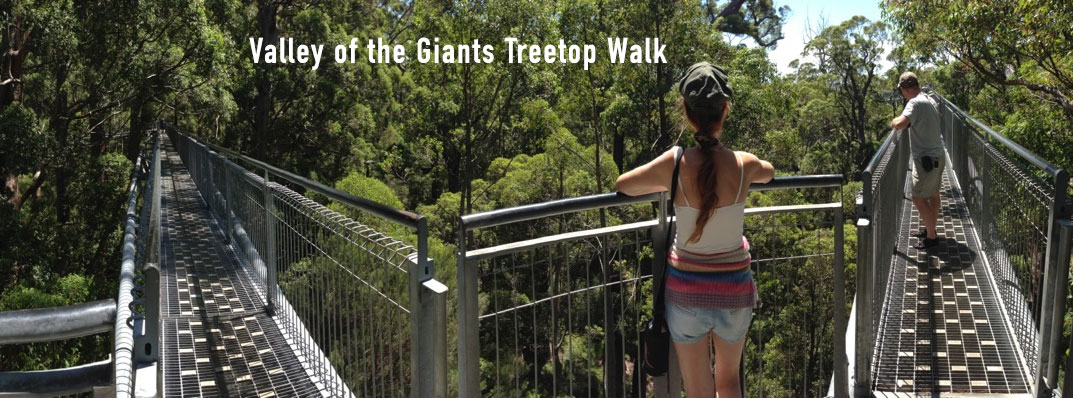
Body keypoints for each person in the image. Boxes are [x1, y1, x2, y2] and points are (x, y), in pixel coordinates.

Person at [615, 62, 774, 398]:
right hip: (735, 293)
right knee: (729, 383)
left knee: (699, 391)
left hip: (686, 296)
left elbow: (623, 184)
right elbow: (770, 172)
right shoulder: (744, 164)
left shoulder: (674, 164)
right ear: (725, 109)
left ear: (686, 112)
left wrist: (667, 177)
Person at [890, 72, 945, 249]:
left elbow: (900, 124)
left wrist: (893, 121)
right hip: (938, 154)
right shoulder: (928, 98)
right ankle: (930, 229)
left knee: (918, 198)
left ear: (905, 89)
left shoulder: (914, 102)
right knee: (933, 194)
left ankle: (931, 238)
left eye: (901, 90)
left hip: (926, 160)